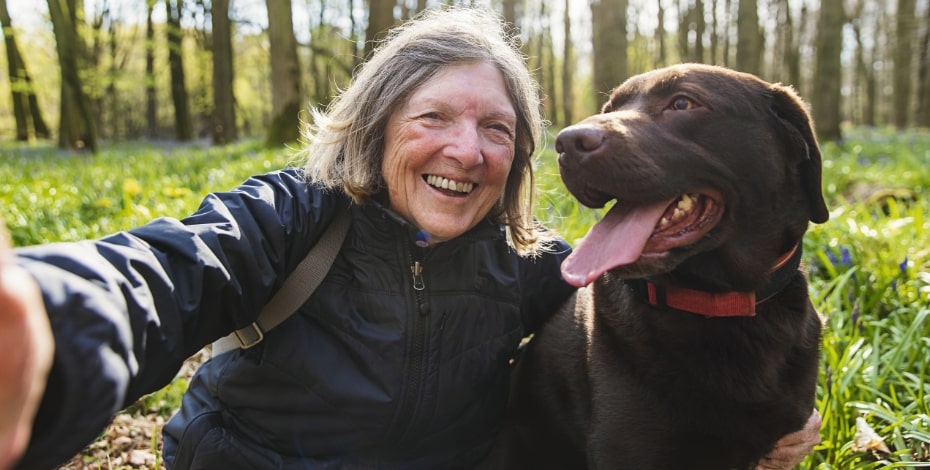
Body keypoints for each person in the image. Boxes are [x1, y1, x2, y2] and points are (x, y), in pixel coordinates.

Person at [0, 7, 820, 470]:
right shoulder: (291, 219)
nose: (465, 150)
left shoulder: (532, 267)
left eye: (496, 129)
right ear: (375, 126)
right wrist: (53, 317)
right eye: (433, 117)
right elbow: (162, 274)